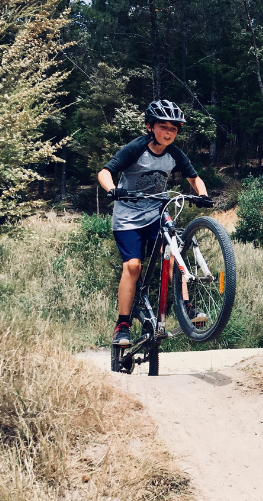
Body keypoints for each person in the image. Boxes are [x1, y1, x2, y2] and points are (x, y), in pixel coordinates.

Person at [98, 99, 215, 346]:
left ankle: (188, 308)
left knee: (173, 256)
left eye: (173, 128)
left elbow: (195, 178)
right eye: (163, 126)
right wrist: (111, 190)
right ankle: (123, 324)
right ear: (150, 126)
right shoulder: (136, 148)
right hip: (128, 217)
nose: (169, 132)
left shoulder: (175, 154)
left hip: (156, 213)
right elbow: (105, 172)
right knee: (132, 267)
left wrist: (202, 195)